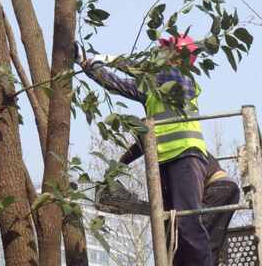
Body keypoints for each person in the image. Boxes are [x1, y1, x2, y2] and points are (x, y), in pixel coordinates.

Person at [77, 34, 215, 265]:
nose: (158, 55)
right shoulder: (151, 89)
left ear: (178, 58)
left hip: (186, 156)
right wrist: (88, 65)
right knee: (170, 226)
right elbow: (117, 84)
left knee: (188, 222)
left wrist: (112, 59)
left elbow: (152, 73)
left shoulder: (182, 79)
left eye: (165, 52)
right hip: (162, 161)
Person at [118, 142, 240, 265]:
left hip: (217, 189)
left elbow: (141, 142)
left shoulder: (177, 158)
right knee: (207, 244)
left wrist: (118, 166)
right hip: (227, 188)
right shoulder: (185, 150)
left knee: (189, 240)